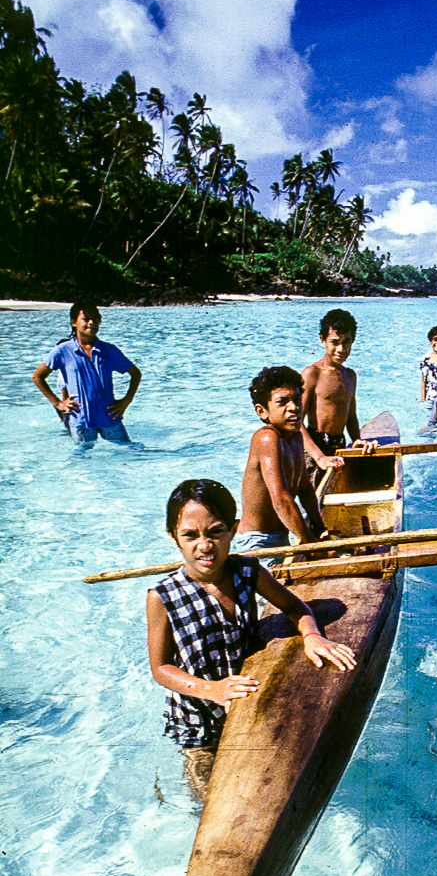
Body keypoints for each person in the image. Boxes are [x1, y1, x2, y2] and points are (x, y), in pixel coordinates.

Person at [147, 478, 355, 799]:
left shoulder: (247, 571)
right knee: (207, 798)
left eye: (215, 532)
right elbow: (160, 668)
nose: (204, 545)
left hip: (247, 699)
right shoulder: (163, 596)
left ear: (233, 529)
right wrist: (212, 690)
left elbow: (294, 606)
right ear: (174, 538)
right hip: (197, 719)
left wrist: (312, 634)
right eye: (190, 535)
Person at [235, 366, 332, 555]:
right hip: (257, 542)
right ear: (262, 411)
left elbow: (304, 487)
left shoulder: (295, 436)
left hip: (281, 533)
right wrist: (311, 546)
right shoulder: (267, 438)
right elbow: (281, 500)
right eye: (282, 402)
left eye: (297, 400)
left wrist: (321, 529)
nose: (294, 407)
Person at [31, 300, 142, 446]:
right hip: (81, 421)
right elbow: (37, 376)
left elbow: (135, 373)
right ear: (74, 322)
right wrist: (58, 403)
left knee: (131, 452)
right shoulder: (62, 350)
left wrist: (126, 401)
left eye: (95, 320)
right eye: (86, 319)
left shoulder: (109, 350)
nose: (91, 323)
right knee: (82, 462)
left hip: (110, 418)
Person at [301, 309, 377, 487]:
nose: (341, 349)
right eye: (334, 342)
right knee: (315, 498)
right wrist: (319, 457)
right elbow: (296, 423)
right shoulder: (312, 374)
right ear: (323, 340)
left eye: (346, 342)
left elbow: (350, 416)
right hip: (314, 446)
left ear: (353, 340)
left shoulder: (350, 376)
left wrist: (357, 439)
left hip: (340, 444)